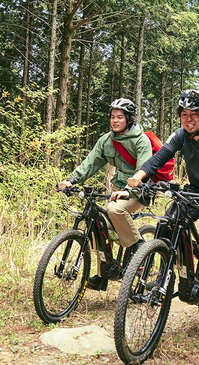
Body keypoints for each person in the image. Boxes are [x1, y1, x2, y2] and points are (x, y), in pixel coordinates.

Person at [127, 89, 199, 307]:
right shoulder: (180, 136)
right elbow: (158, 159)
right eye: (184, 115)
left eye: (194, 115)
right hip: (196, 191)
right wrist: (139, 176)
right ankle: (165, 273)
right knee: (167, 223)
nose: (188, 120)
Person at [58, 98, 152, 290]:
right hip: (118, 189)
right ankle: (104, 273)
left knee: (114, 209)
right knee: (97, 222)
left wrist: (128, 191)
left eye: (120, 117)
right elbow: (90, 163)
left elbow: (144, 169)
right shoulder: (106, 141)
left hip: (138, 192)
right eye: (112, 117)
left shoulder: (141, 140)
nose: (115, 121)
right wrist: (71, 180)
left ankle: (138, 245)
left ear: (128, 119)